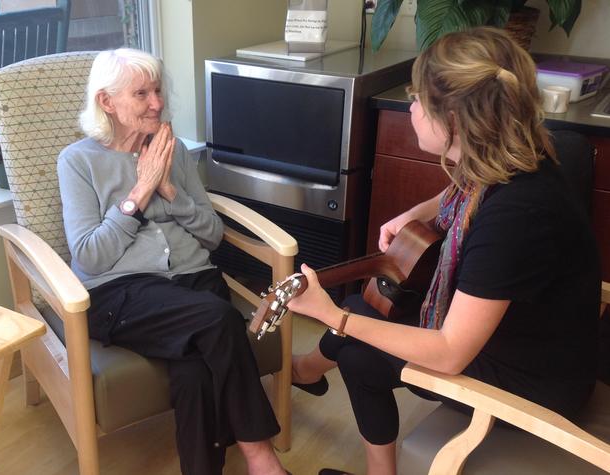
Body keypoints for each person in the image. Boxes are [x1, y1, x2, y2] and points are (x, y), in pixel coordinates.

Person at [288, 27, 600, 475]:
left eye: (418, 99)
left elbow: (451, 350)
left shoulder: (515, 216)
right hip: (535, 340)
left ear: (453, 121)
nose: (411, 107)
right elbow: (465, 187)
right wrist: (416, 211)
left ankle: (318, 385)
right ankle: (308, 372)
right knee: (367, 310)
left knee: (356, 342)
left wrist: (329, 313)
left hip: (537, 384)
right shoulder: (517, 154)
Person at [57, 48, 287, 475]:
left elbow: (212, 235)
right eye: (141, 93)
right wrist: (139, 192)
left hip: (195, 279)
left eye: (158, 91)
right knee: (221, 321)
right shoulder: (77, 161)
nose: (157, 103)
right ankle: (262, 458)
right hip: (122, 292)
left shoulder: (174, 150)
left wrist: (168, 191)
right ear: (107, 102)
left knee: (196, 373)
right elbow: (89, 254)